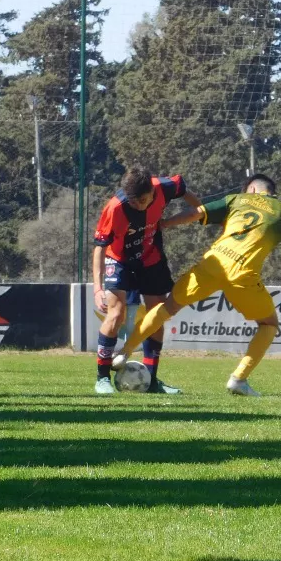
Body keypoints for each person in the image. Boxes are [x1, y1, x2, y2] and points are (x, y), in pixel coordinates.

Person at [115, 174, 281, 396]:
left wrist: (163, 224)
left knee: (167, 307)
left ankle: (124, 352)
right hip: (243, 274)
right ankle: (238, 379)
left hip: (213, 264)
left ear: (251, 189)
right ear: (268, 191)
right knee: (269, 323)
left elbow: (195, 213)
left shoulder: (237, 199)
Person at [92, 166, 201, 395]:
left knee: (157, 313)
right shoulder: (114, 208)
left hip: (151, 258)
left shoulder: (166, 187)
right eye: (134, 202)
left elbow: (197, 205)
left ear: (152, 190)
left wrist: (183, 218)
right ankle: (102, 379)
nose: (139, 205)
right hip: (118, 259)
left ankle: (151, 381)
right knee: (116, 312)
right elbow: (100, 249)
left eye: (143, 200)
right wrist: (97, 288)